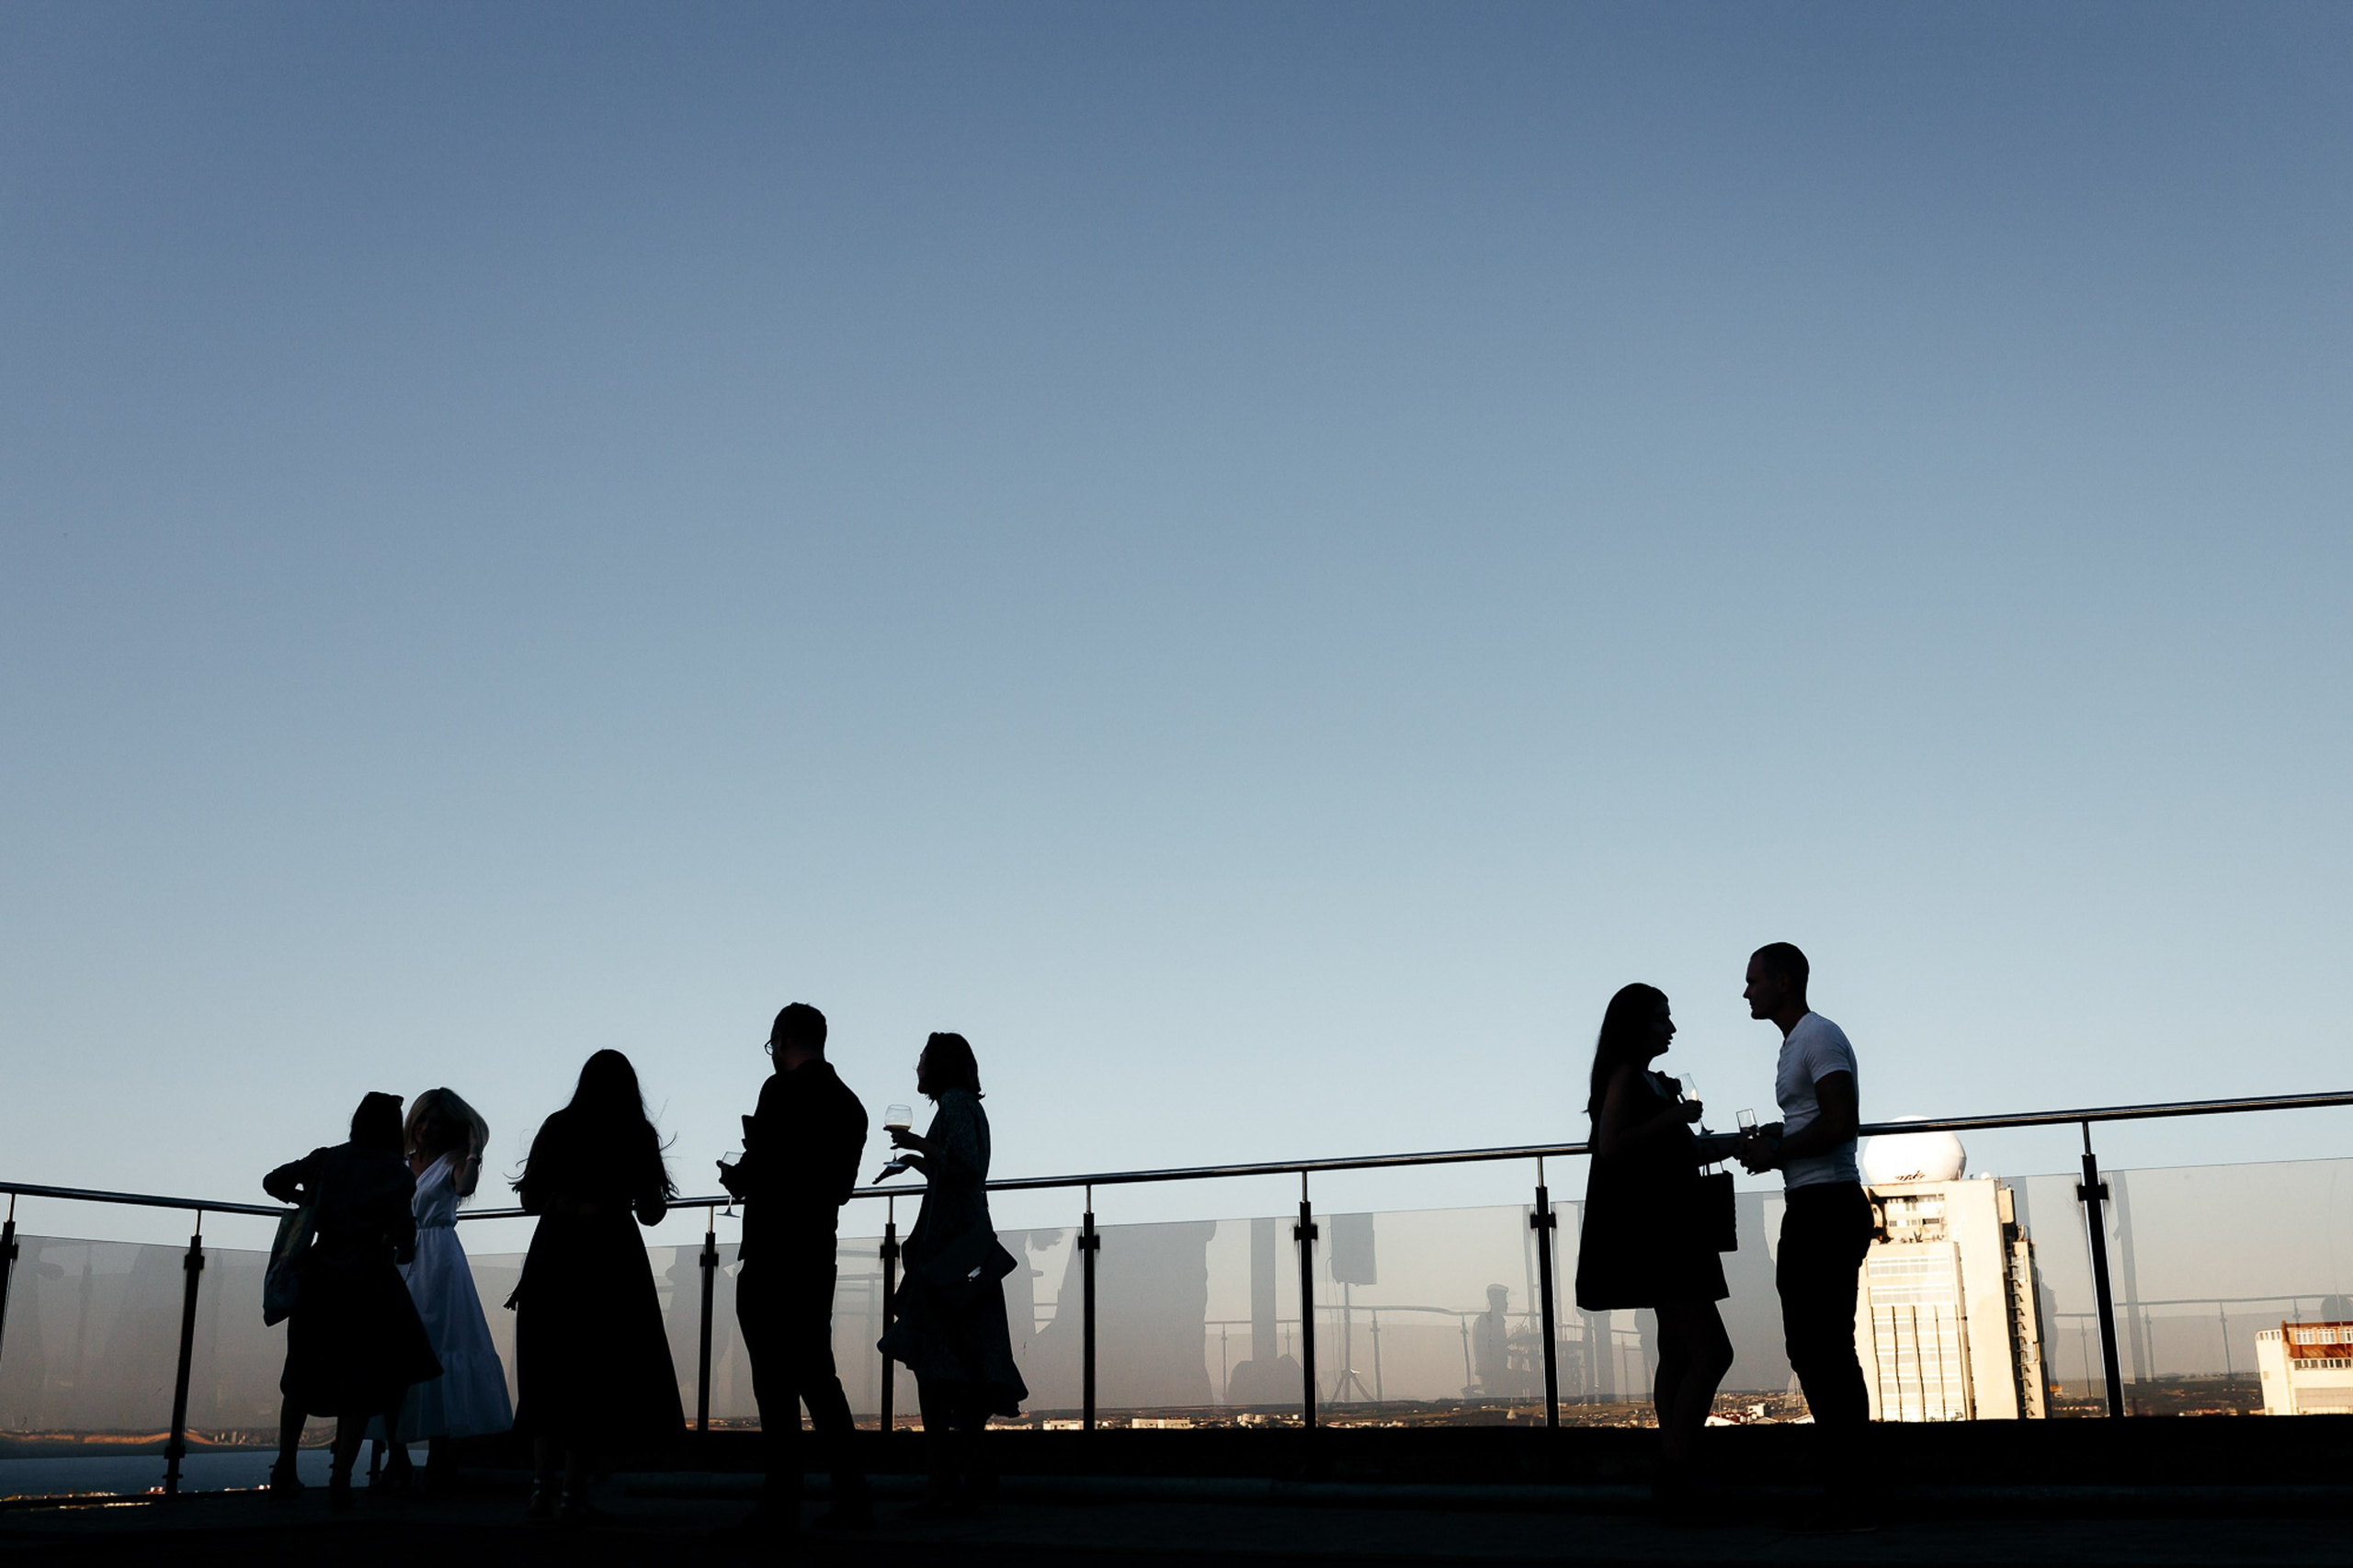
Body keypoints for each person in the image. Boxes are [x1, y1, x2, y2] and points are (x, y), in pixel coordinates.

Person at [1573, 983, 1733, 1517]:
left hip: (1667, 1230)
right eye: (1662, 1019)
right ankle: (1675, 1473)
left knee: (1679, 1354)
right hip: (1664, 1235)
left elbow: (1661, 1150)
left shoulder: (1646, 1081)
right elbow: (1612, 1145)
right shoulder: (1627, 1078)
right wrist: (1676, 1117)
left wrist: (1730, 1144)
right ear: (1636, 1025)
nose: (1671, 1028)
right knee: (1712, 1353)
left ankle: (1675, 1474)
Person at [716, 1003, 873, 1538]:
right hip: (815, 1253)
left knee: (773, 1386)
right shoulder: (850, 1106)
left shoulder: (778, 1091)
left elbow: (764, 1171)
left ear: (782, 1040)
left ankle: (781, 1502)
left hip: (770, 1253)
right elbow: (840, 1189)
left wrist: (740, 1176)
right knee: (819, 1378)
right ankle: (852, 1494)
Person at [510, 1051, 685, 1522]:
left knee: (547, 1372)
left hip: (553, 1253)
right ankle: (572, 1494)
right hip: (610, 1258)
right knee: (592, 1375)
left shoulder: (558, 1126)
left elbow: (530, 1200)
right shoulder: (636, 1133)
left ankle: (540, 1489)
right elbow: (651, 1212)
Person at [1734, 942, 1872, 1528]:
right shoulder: (1797, 1042)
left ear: (1784, 982)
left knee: (1825, 1349)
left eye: (1754, 980)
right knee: (1815, 1348)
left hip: (1827, 1205)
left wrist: (1777, 1152)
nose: (1747, 991)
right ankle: (1847, 1484)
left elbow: (1842, 1123)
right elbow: (1818, 1118)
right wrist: (1781, 1133)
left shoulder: (1819, 1037)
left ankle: (1853, 1491)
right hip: (1812, 1204)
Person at [263, 1092, 442, 1509]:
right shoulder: (397, 1174)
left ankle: (284, 1469)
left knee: (302, 1375)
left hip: (319, 1278)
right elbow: (405, 1241)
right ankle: (341, 1477)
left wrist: (311, 1202)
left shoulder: (327, 1160)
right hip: (370, 1283)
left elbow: (273, 1182)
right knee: (361, 1383)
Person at [878, 1032, 1027, 1517]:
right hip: (960, 1251)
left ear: (940, 1065)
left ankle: (943, 1481)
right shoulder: (961, 1106)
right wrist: (918, 1160)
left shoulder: (957, 1105)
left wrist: (921, 1145)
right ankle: (970, 1475)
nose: (917, 1067)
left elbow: (964, 1167)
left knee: (940, 1368)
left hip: (951, 1255)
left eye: (922, 1059)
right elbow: (957, 1171)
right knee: (964, 1364)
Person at [382, 1087, 512, 1488]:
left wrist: (473, 1151)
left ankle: (439, 1455)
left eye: (435, 1122)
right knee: (392, 1351)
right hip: (398, 1257)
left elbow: (464, 1187)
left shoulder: (452, 1163)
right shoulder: (398, 1163)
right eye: (422, 1119)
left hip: (438, 1261)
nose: (425, 1128)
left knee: (438, 1346)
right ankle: (398, 1457)